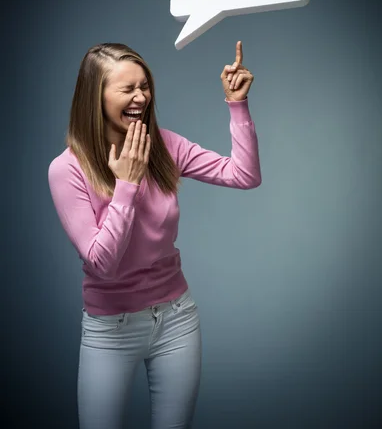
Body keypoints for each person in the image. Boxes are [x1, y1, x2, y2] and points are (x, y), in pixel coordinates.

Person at [48, 40, 261, 429]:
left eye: (144, 86)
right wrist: (126, 186)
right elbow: (103, 265)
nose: (140, 97)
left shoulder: (163, 144)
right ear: (95, 97)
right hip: (111, 329)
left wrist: (237, 104)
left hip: (177, 318)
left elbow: (244, 175)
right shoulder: (66, 170)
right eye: (126, 89)